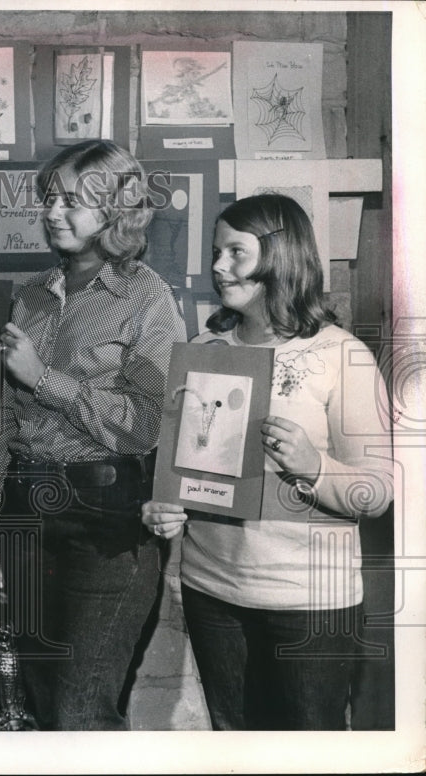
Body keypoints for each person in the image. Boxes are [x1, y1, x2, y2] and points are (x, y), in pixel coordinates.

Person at [141, 194, 394, 730]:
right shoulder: (204, 348)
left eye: (236, 252)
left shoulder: (340, 355)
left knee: (308, 754)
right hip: (212, 590)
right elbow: (189, 472)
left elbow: (377, 492)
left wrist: (313, 466)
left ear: (282, 257)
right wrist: (167, 508)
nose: (217, 265)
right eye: (216, 251)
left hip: (308, 600)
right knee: (235, 747)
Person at [0, 139, 186, 730]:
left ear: (115, 210)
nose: (52, 211)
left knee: (80, 711)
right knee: (38, 707)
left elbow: (146, 426)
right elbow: (0, 427)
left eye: (72, 200)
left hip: (108, 529)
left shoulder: (149, 300)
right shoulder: (27, 299)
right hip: (23, 521)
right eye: (49, 198)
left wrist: (46, 379)